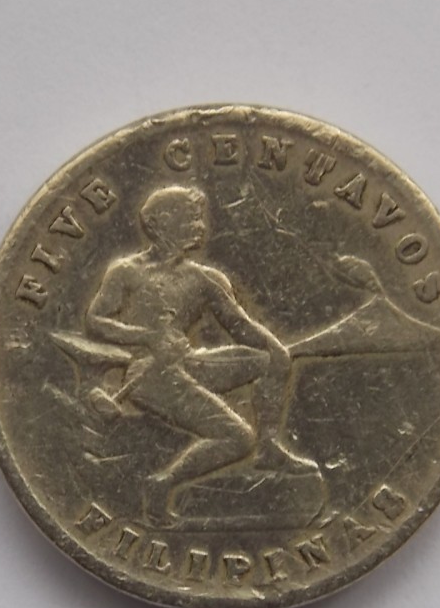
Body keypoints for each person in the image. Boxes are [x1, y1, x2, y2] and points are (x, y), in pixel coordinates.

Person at [85, 185, 315, 514]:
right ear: (161, 223)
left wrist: (274, 347)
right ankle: (163, 483)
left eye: (199, 219)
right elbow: (96, 320)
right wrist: (147, 337)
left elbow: (239, 324)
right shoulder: (127, 271)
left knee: (268, 360)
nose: (201, 226)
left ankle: (268, 448)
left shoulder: (205, 278)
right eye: (191, 218)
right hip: (149, 375)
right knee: (238, 438)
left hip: (188, 364)